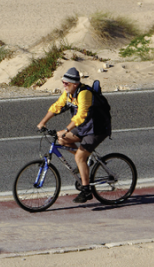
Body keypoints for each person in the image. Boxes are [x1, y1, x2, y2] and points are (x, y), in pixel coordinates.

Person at [36, 67, 112, 204]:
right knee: (62, 139)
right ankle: (85, 160)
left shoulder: (84, 94)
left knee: (79, 156)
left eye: (66, 83)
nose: (64, 85)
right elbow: (57, 106)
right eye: (63, 82)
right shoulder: (69, 93)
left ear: (75, 84)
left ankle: (86, 190)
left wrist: (66, 129)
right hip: (84, 127)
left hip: (97, 129)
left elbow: (81, 116)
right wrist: (42, 122)